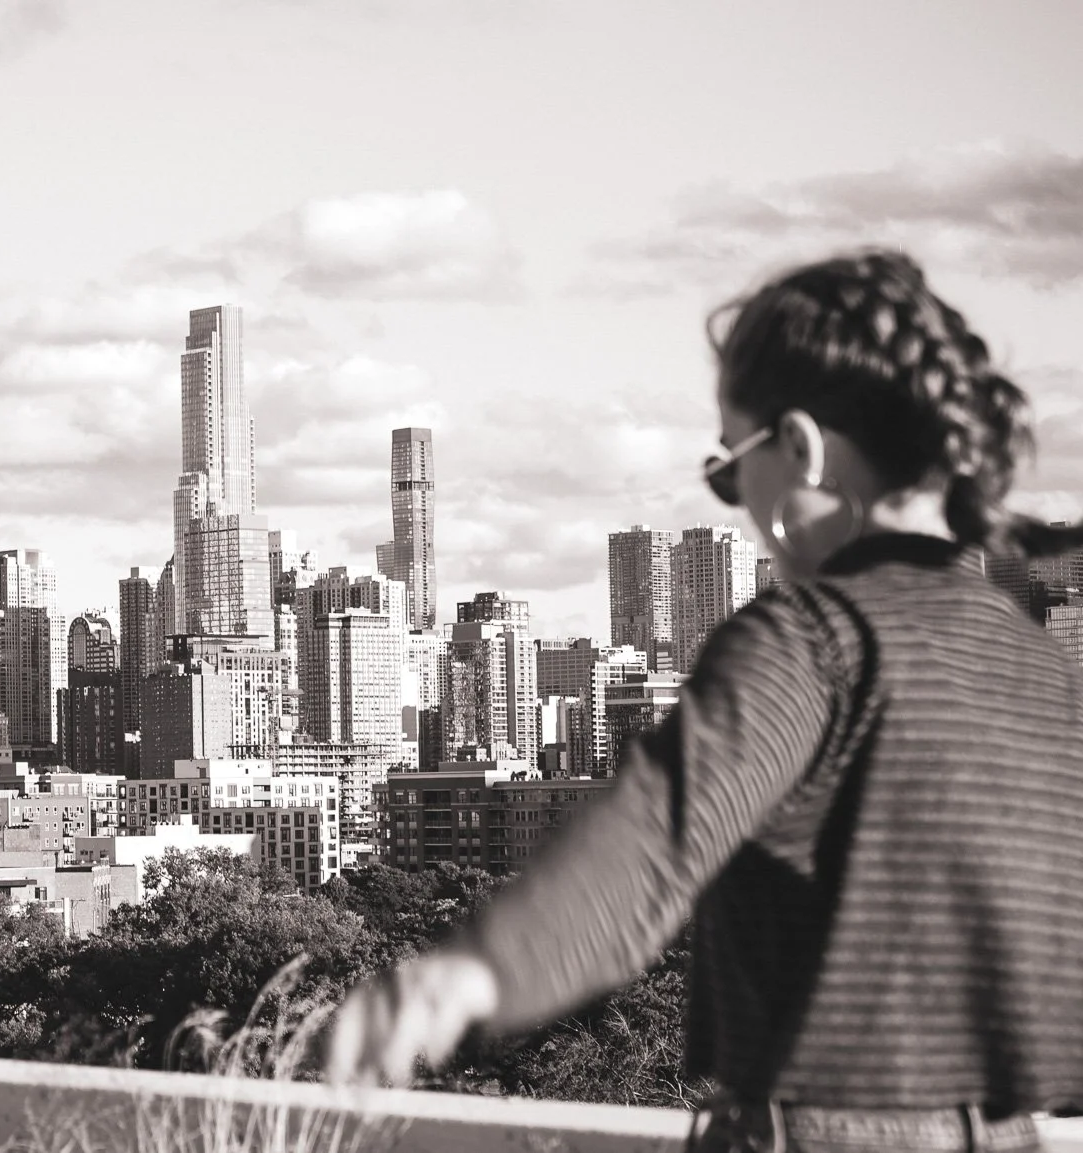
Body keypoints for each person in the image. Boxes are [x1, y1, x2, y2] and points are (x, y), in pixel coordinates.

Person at [326, 250, 1083, 1152]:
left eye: (729, 468)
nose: (736, 503)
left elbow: (656, 840)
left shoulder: (813, 639)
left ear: (800, 448)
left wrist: (466, 974)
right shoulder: (1038, 663)